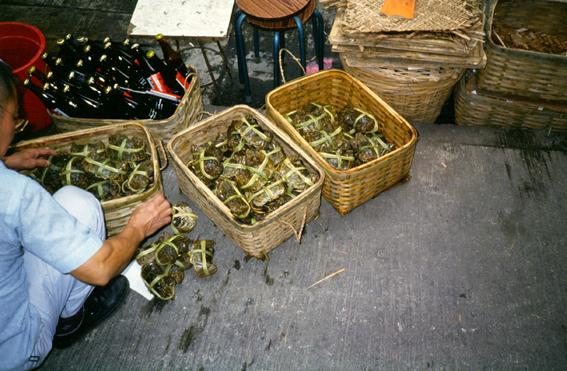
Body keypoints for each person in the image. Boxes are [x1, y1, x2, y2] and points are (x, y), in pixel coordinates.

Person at [0, 59, 172, 370]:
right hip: (14, 349)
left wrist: (5, 161)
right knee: (79, 203)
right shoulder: (15, 195)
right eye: (16, 118)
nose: (16, 128)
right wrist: (137, 228)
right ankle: (69, 320)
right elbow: (100, 268)